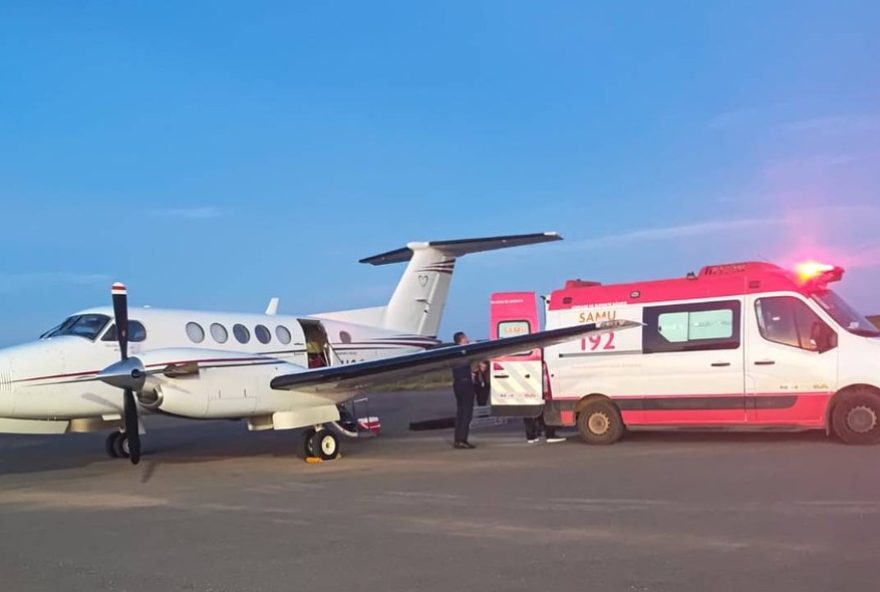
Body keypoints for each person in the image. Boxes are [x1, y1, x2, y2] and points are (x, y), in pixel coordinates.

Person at [450, 331, 476, 449]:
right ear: (462, 339)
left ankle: (458, 439)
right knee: (466, 412)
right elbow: (469, 359)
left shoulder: (452, 353)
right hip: (465, 383)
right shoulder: (463, 353)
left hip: (457, 384)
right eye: (466, 338)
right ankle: (462, 439)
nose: (468, 339)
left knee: (460, 412)